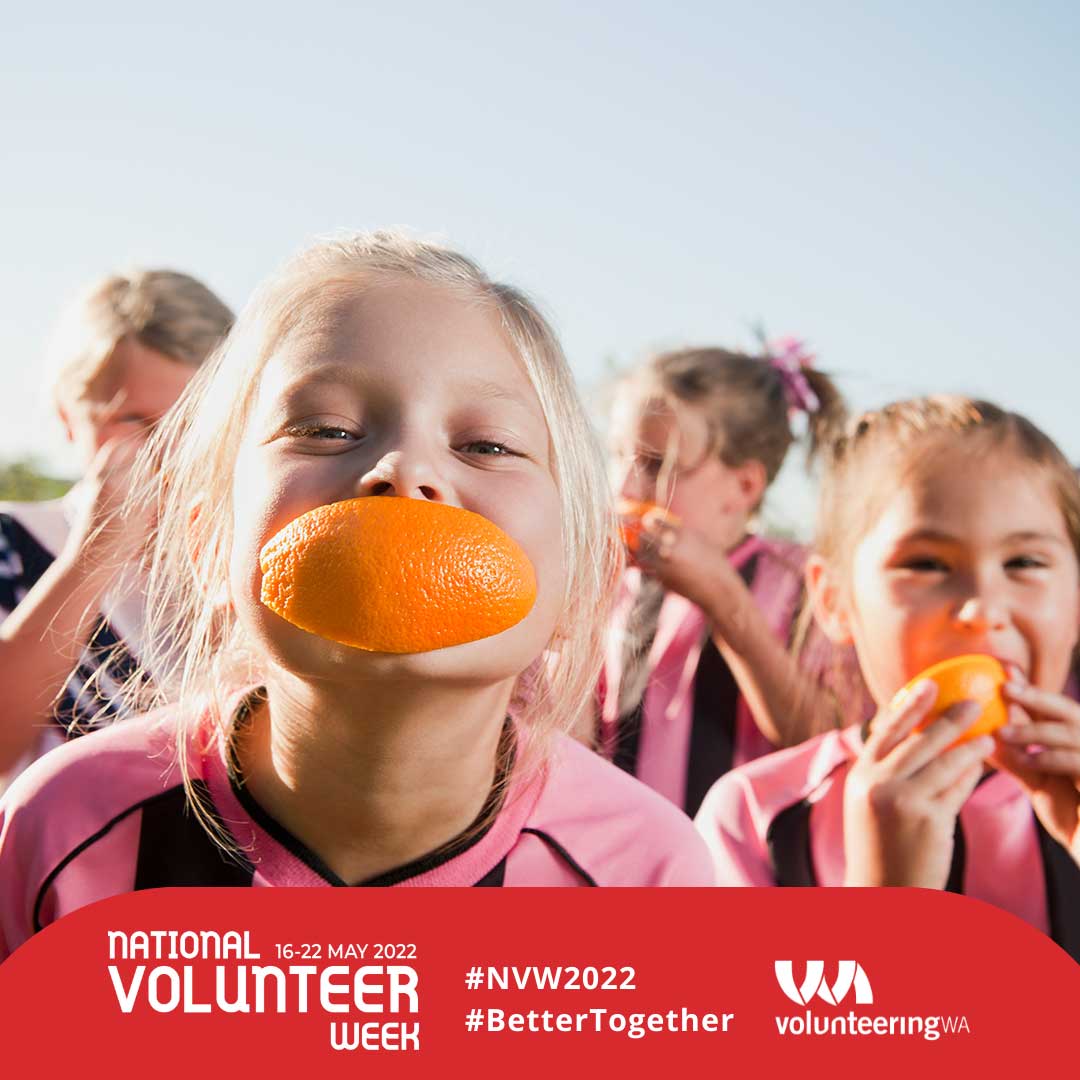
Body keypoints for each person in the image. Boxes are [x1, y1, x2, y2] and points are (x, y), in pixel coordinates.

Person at [0, 231, 715, 958]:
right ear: (209, 545)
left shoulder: (649, 876)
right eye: (329, 429)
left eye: (486, 445)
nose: (402, 470)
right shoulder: (62, 823)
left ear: (581, 582)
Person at [696, 396, 1080, 961]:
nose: (981, 609)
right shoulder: (758, 816)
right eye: (925, 564)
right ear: (835, 600)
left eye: (1025, 563)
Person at [598, 340, 854, 816]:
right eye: (618, 455)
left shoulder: (802, 583)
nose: (624, 488)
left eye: (658, 465)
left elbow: (828, 742)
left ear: (744, 486)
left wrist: (723, 598)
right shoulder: (619, 586)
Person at [0, 270, 233, 783]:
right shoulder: (14, 542)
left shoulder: (248, 552)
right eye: (134, 420)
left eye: (191, 424)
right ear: (67, 415)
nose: (169, 450)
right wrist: (94, 552)